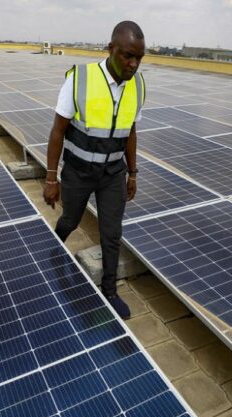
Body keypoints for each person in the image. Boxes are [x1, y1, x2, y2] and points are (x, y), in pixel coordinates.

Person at [43, 21, 146, 320]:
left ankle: (110, 291)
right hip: (78, 171)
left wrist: (132, 173)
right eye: (127, 55)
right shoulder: (81, 79)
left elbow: (131, 131)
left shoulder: (137, 85)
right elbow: (57, 130)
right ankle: (52, 250)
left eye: (139, 58)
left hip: (112, 173)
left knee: (112, 233)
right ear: (111, 49)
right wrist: (51, 178)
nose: (133, 64)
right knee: (70, 220)